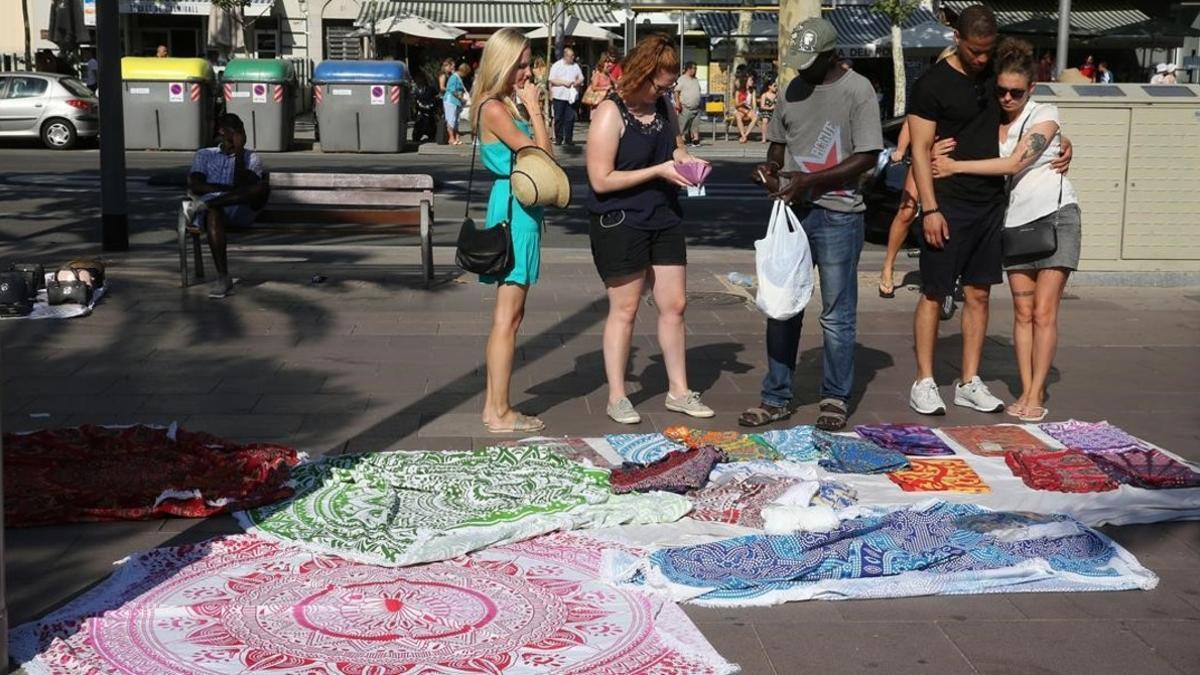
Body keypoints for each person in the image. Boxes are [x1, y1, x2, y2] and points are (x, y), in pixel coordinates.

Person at [906, 4, 1072, 416]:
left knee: (979, 293)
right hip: (947, 202)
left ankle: (969, 381)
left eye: (987, 50)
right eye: (974, 51)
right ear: (957, 40)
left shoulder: (997, 76)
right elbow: (921, 152)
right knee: (934, 291)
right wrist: (930, 209)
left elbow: (1026, 112)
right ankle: (925, 381)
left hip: (992, 204)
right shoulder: (932, 85)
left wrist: (1064, 141)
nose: (981, 59)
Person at [738, 17, 883, 432]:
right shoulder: (792, 89)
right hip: (793, 215)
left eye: (809, 63)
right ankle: (776, 396)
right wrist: (769, 169)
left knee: (837, 314)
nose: (802, 71)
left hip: (840, 213)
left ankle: (835, 396)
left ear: (832, 55)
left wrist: (810, 181)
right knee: (781, 308)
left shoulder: (857, 91)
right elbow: (778, 145)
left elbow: (868, 156)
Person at [585, 33, 713, 425]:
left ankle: (678, 390)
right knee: (624, 309)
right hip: (621, 220)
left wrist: (689, 163)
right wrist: (659, 171)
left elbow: (675, 149)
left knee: (674, 305)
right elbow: (600, 180)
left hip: (664, 215)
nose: (666, 90)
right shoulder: (611, 113)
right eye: (661, 83)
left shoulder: (662, 109)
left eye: (670, 84)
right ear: (642, 74)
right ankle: (618, 395)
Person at [471, 28, 555, 433]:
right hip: (515, 212)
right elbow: (543, 158)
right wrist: (536, 109)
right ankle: (500, 412)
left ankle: (494, 407)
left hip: (515, 207)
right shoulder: (496, 109)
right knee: (508, 317)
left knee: (509, 315)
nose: (527, 72)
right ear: (502, 63)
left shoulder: (497, 105)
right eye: (521, 64)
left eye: (529, 63)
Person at [879, 46, 956, 298]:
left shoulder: (970, 89)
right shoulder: (929, 89)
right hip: (925, 154)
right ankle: (888, 266)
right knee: (907, 209)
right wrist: (901, 150)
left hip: (956, 158)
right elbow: (911, 125)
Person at [187, 113, 269, 299]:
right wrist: (228, 191)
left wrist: (239, 152)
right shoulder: (205, 155)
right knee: (215, 211)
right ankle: (223, 278)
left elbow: (244, 187)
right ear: (221, 133)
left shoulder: (251, 158)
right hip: (213, 214)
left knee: (261, 188)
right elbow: (196, 185)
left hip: (239, 210)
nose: (236, 137)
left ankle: (211, 203)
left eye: (239, 132)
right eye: (232, 133)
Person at [549, 47, 584, 146]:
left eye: (573, 55)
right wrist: (563, 83)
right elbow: (551, 79)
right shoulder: (557, 65)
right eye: (571, 56)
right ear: (565, 56)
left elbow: (581, 78)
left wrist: (577, 82)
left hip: (571, 97)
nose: (573, 57)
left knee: (570, 118)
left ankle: (568, 139)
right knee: (559, 117)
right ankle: (559, 138)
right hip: (559, 96)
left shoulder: (575, 66)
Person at [675, 61, 703, 147]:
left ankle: (695, 139)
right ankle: (681, 141)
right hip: (685, 106)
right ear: (689, 69)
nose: (695, 70)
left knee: (695, 125)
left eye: (696, 68)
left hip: (696, 107)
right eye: (694, 68)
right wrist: (677, 103)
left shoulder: (696, 79)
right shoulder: (682, 79)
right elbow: (676, 91)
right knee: (683, 125)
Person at [444, 62, 470, 146]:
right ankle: (451, 138)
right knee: (451, 119)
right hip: (450, 100)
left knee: (456, 120)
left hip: (456, 102)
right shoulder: (454, 77)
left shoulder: (458, 78)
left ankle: (456, 137)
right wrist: (461, 98)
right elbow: (452, 90)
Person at [733, 73, 758, 144]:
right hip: (740, 109)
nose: (752, 81)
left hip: (748, 109)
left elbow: (754, 103)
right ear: (746, 81)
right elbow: (736, 105)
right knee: (738, 116)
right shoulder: (738, 91)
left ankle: (745, 136)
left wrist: (754, 110)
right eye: (750, 80)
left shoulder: (752, 91)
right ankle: (743, 135)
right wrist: (743, 103)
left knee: (755, 117)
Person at [757, 77, 777, 144]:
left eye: (776, 86)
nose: (776, 87)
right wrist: (770, 108)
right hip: (766, 111)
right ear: (769, 87)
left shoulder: (777, 95)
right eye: (774, 86)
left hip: (775, 112)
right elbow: (762, 106)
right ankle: (764, 138)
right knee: (765, 120)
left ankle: (774, 137)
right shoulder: (764, 95)